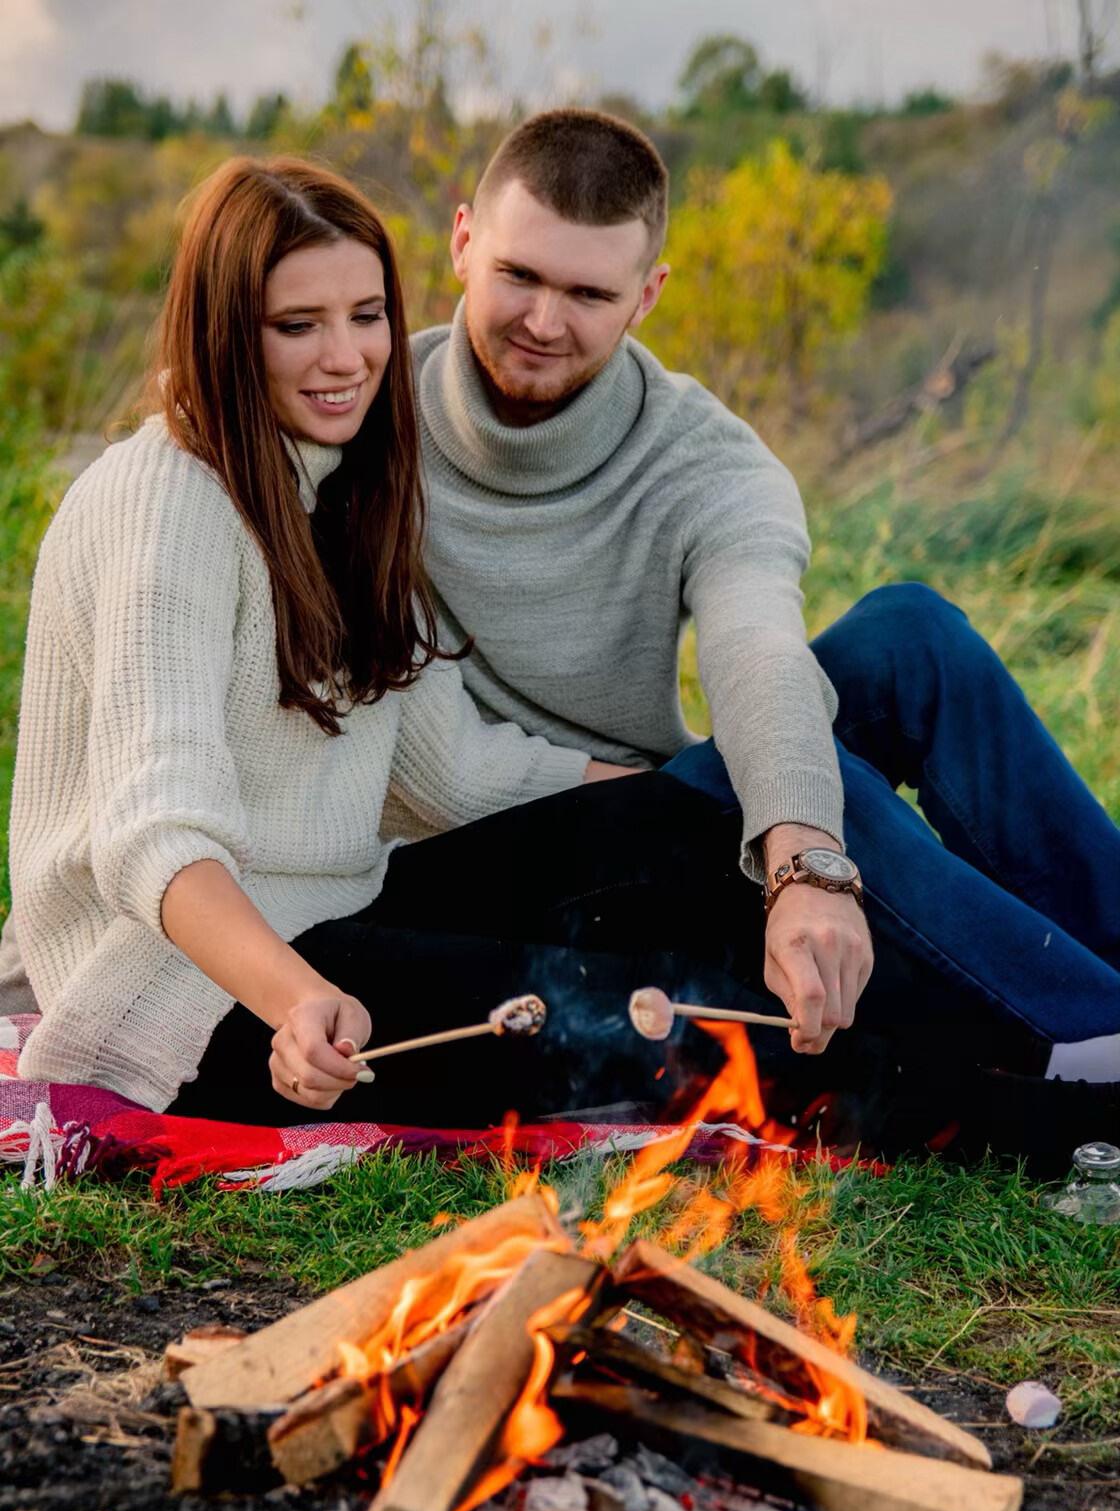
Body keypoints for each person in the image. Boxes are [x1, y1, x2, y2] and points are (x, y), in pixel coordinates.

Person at [0, 155, 793, 1130]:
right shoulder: (166, 500)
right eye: (298, 325)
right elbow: (153, 833)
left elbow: (449, 769)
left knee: (688, 842)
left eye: (365, 315)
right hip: (184, 983)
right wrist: (294, 998)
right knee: (629, 1019)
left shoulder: (342, 486)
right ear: (225, 333)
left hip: (338, 908)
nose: (345, 358)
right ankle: (1019, 1121)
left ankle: (984, 1033)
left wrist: (681, 787)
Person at [404, 108, 1120, 1156]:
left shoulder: (701, 454)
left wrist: (803, 859)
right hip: (446, 856)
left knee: (908, 635)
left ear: (647, 295)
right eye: (520, 275)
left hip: (640, 828)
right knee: (757, 776)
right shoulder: (363, 417)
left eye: (589, 293)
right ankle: (1091, 1038)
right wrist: (692, 794)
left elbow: (756, 651)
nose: (544, 322)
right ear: (463, 239)